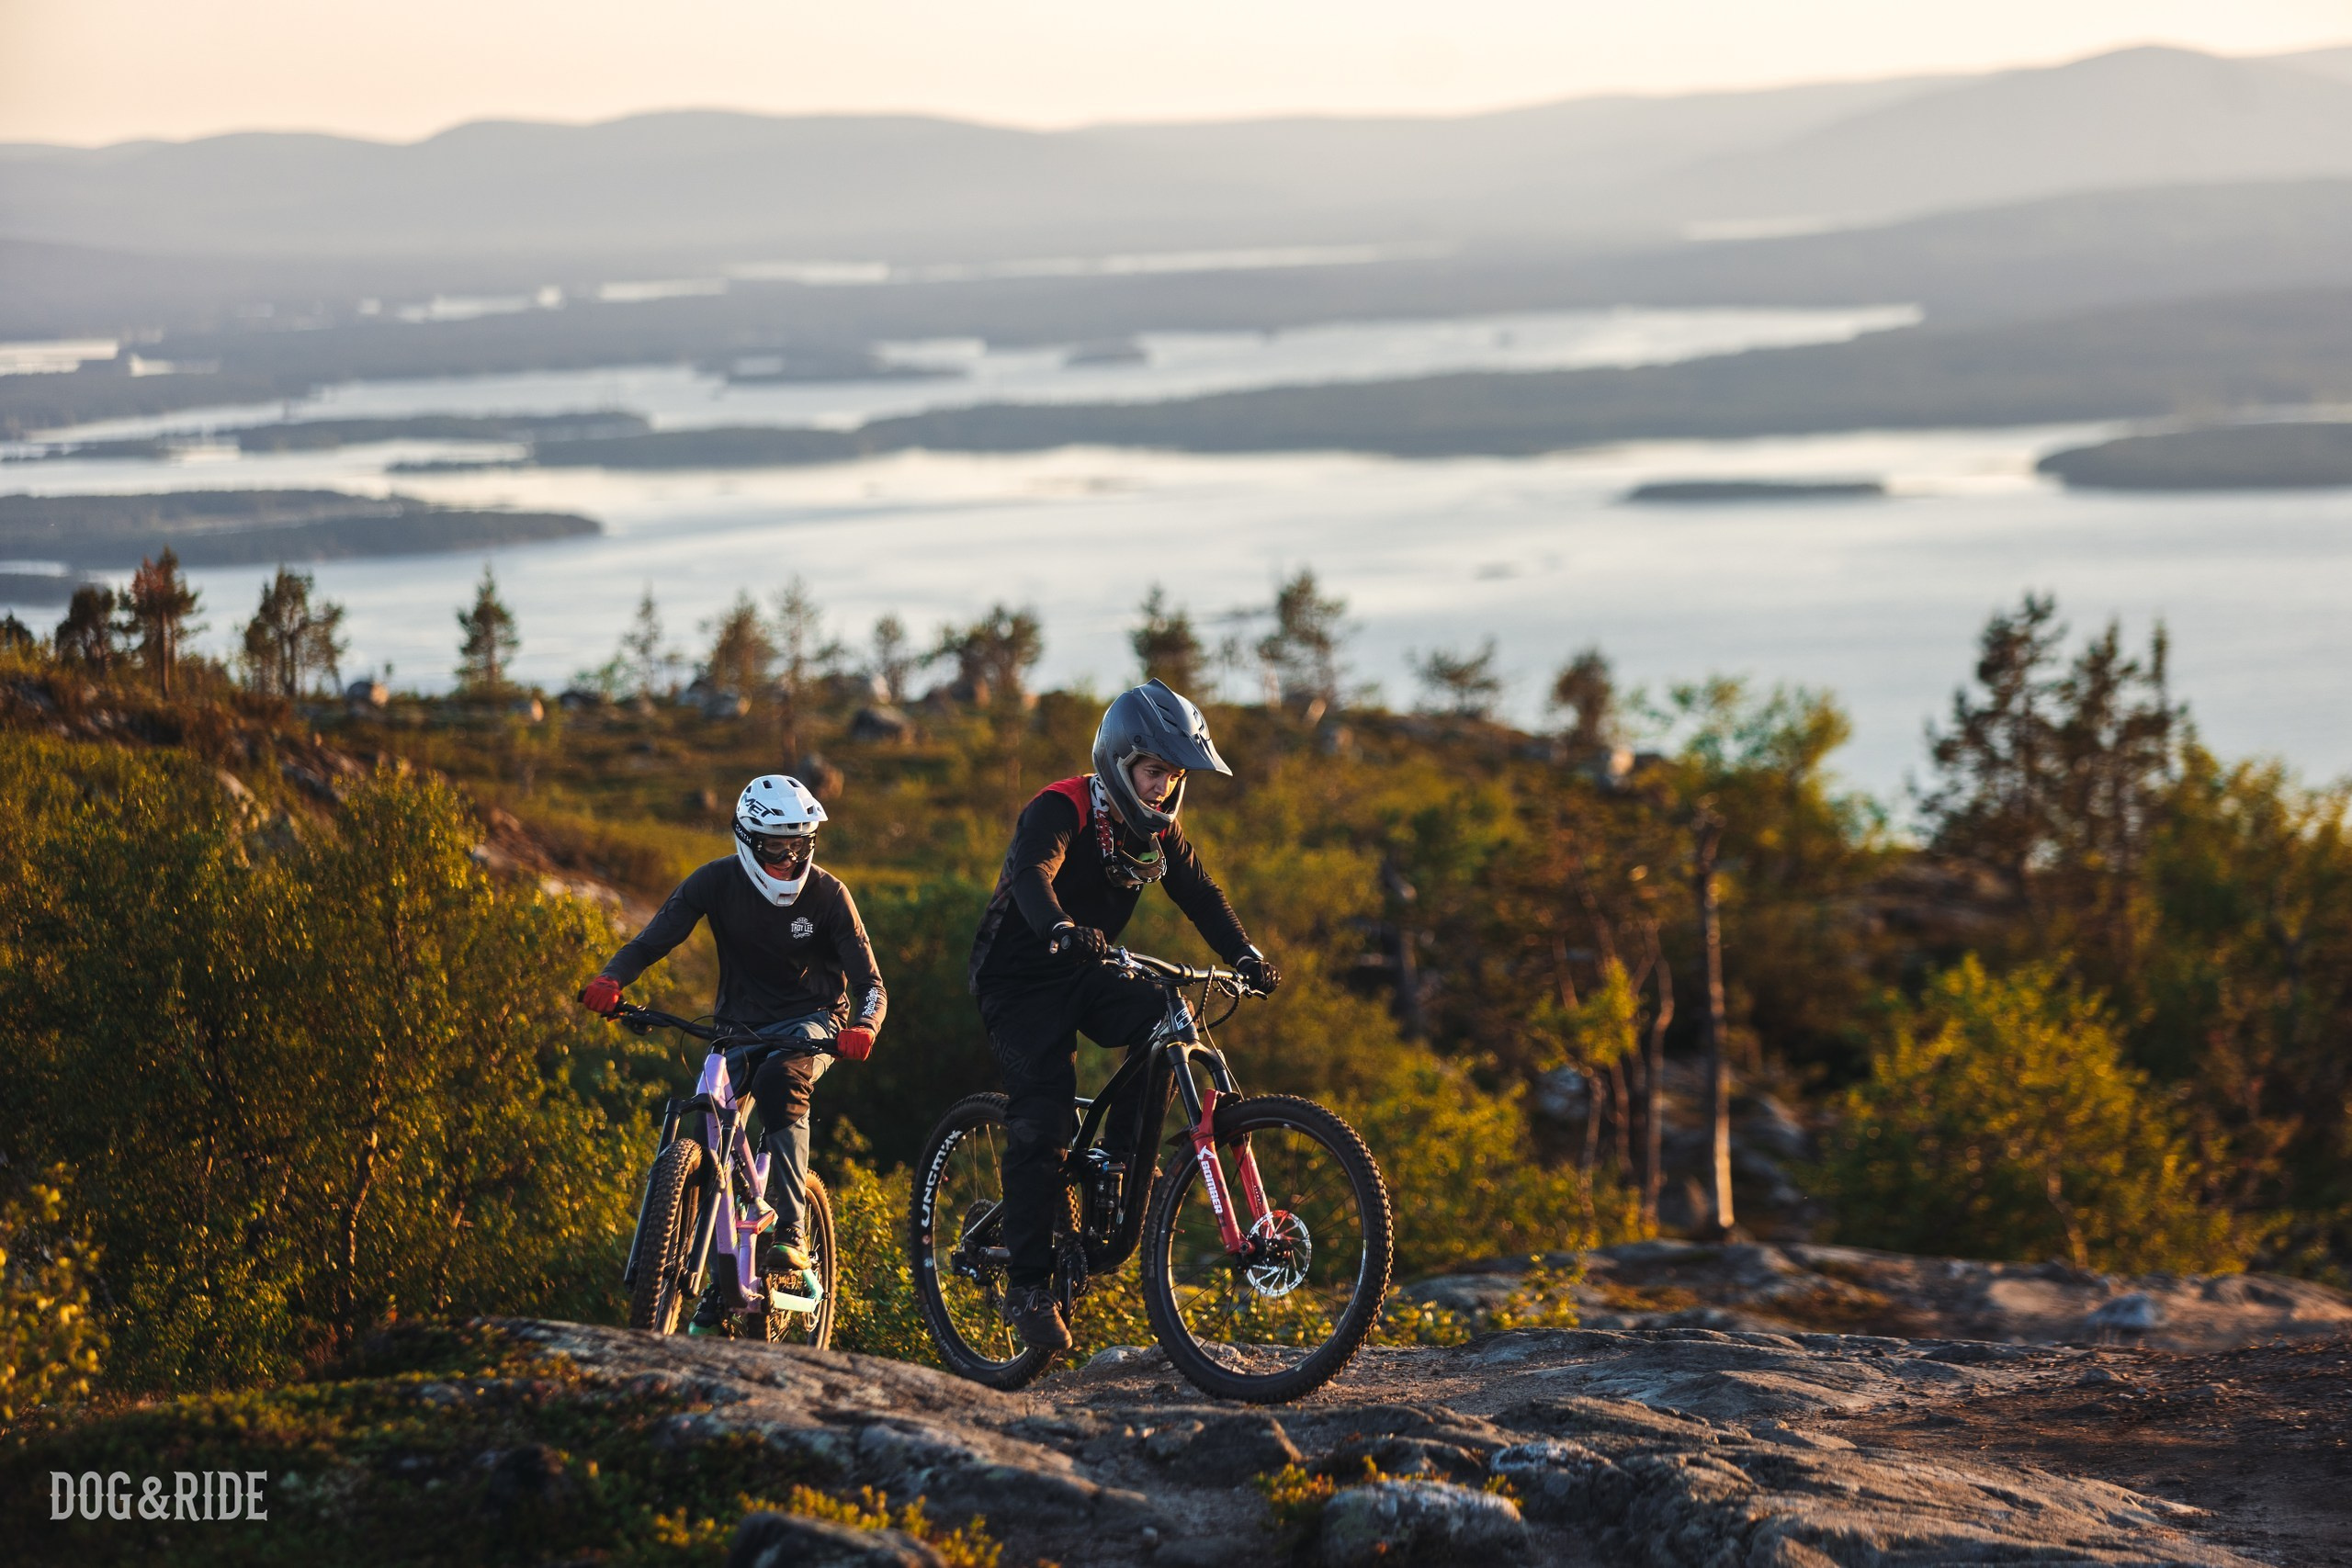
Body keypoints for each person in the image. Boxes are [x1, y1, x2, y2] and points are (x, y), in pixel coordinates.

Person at [968, 679, 1280, 1353]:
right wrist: (1057, 926)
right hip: (1019, 978)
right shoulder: (1064, 806)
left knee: (1166, 1014)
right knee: (1043, 1118)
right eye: (1153, 770)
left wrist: (1246, 954)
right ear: (1118, 759)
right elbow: (1032, 874)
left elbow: (1201, 895)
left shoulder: (1158, 831)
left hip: (1085, 970)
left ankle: (1117, 1157)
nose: (1164, 786)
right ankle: (1027, 1284)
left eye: (1172, 775)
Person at [581, 773, 885, 1333]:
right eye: (775, 843)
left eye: (800, 842)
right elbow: (651, 941)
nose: (788, 857)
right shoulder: (713, 883)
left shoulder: (828, 894)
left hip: (815, 1020)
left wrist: (864, 1025)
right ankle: (712, 1285)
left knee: (778, 1083)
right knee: (705, 1128)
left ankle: (791, 1232)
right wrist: (612, 979)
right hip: (737, 1026)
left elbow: (870, 982)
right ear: (747, 838)